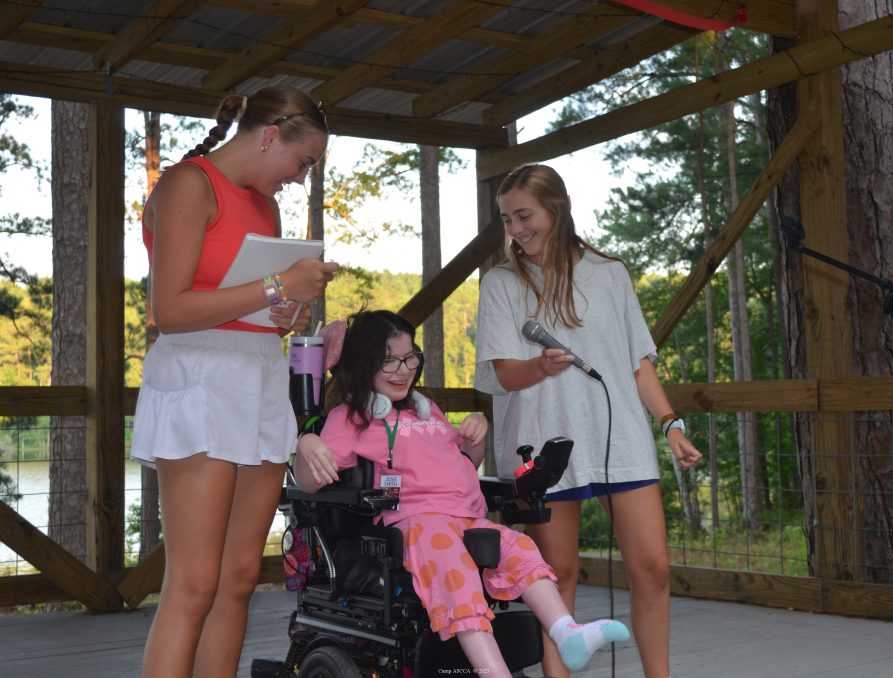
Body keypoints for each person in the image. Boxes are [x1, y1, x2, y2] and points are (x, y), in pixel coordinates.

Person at [130, 86, 339, 678]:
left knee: (239, 577)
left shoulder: (266, 207)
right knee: (194, 582)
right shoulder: (188, 184)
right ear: (270, 136)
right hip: (199, 376)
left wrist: (286, 311)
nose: (300, 178)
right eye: (302, 162)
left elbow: (250, 301)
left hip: (259, 375)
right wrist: (277, 287)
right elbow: (169, 310)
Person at [294, 310, 630, 677]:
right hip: (417, 522)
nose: (404, 370)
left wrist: (475, 437)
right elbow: (309, 485)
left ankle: (568, 633)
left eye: (410, 358)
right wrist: (307, 443)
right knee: (455, 572)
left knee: (520, 548)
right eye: (389, 361)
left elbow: (464, 464)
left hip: (467, 517)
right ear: (364, 364)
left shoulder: (426, 411)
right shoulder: (352, 417)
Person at [474, 164, 703, 678]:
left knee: (654, 568)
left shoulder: (610, 273)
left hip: (621, 438)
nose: (516, 229)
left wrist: (670, 423)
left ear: (557, 209)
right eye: (507, 220)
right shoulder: (501, 283)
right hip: (543, 446)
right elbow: (503, 374)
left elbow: (636, 360)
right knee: (558, 576)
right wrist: (540, 367)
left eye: (524, 215)